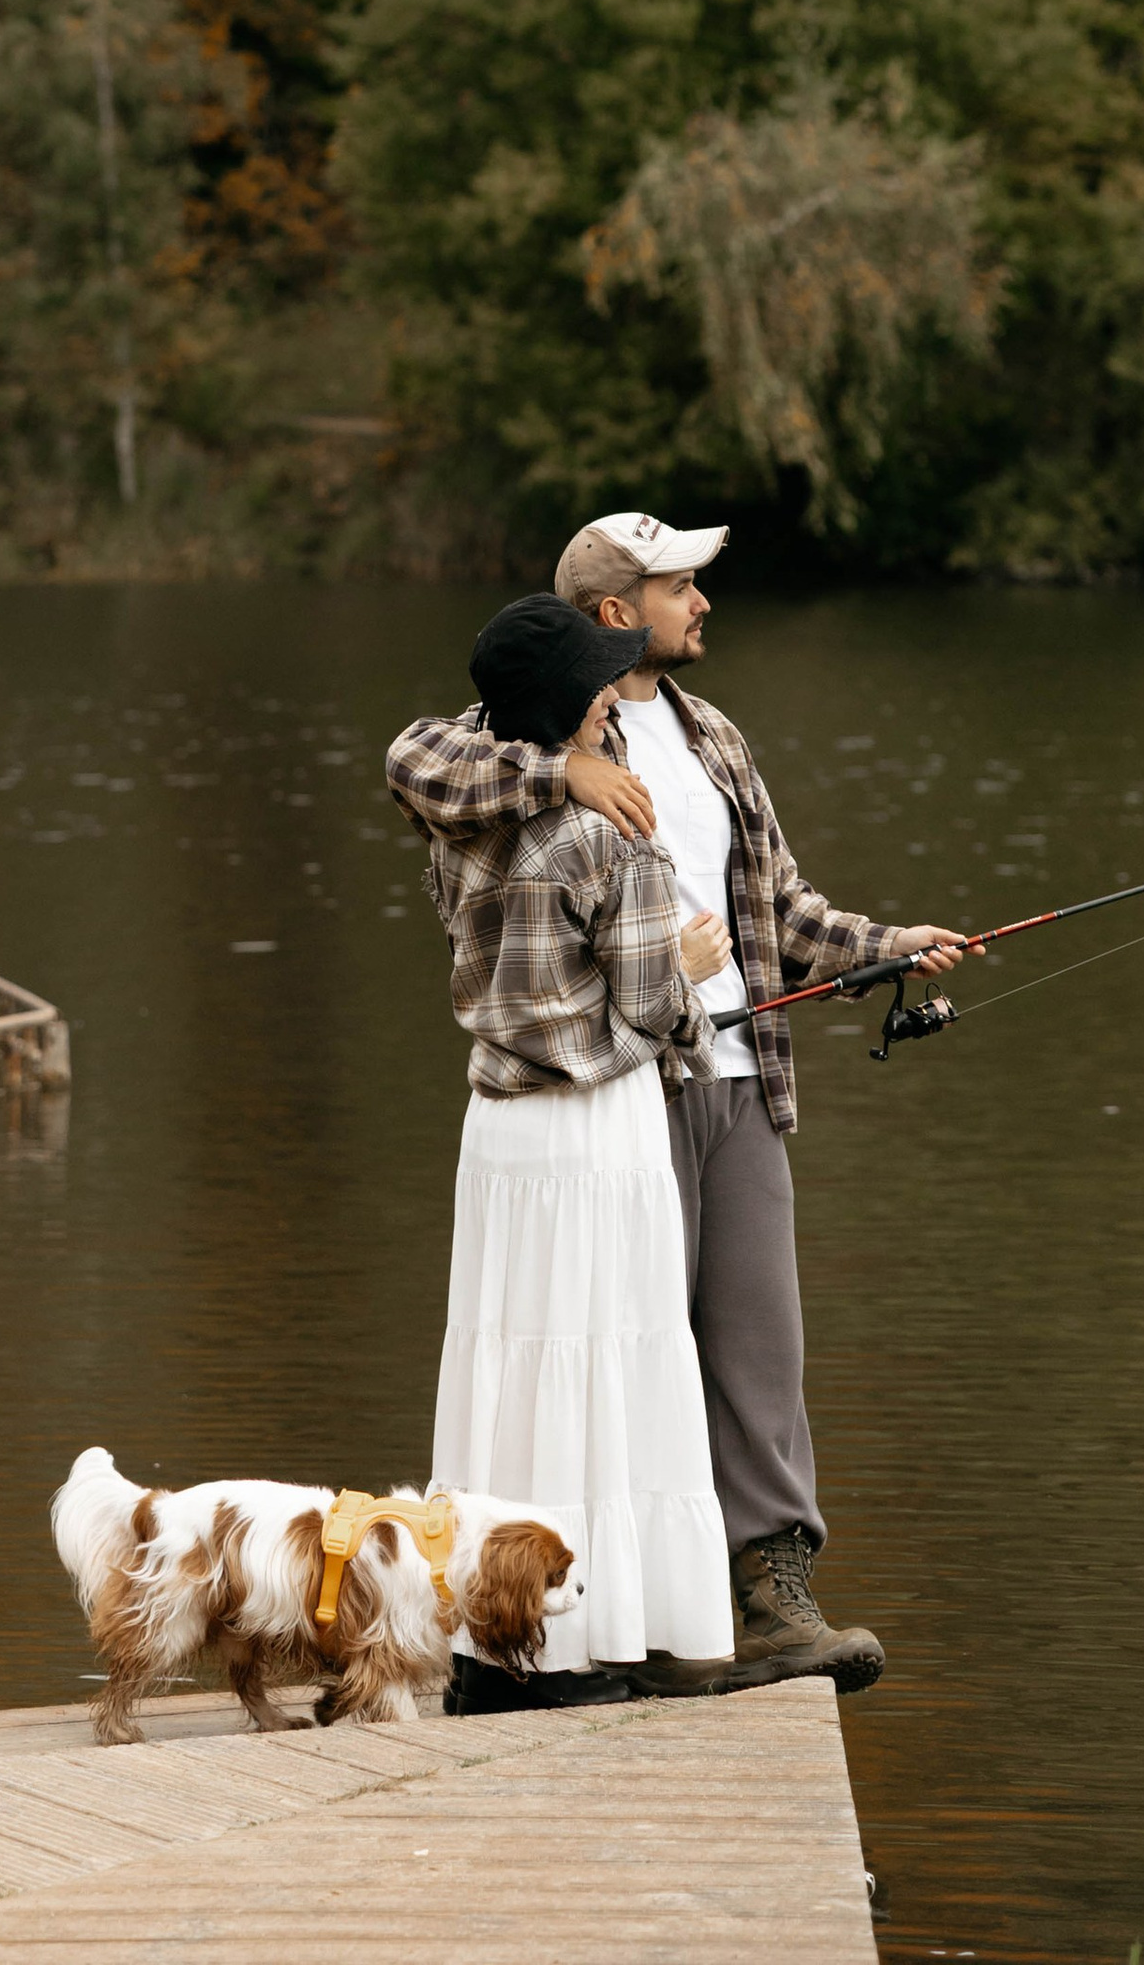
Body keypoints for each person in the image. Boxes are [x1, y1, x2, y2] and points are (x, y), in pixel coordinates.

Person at [389, 512, 963, 1689]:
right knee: (628, 1358)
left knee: (758, 1345)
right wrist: (565, 769)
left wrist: (882, 944)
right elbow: (412, 767)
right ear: (615, 613)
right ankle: (603, 1611)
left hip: (740, 1081)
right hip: (621, 1091)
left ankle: (765, 1593)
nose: (703, 603)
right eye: (681, 586)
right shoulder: (527, 730)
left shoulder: (715, 741)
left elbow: (780, 906)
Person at [418, 593, 737, 1710]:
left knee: (509, 1370)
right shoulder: (619, 834)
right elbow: (653, 1011)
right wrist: (696, 978)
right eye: (602, 681)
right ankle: (583, 1642)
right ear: (576, 706)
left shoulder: (462, 813)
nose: (618, 691)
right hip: (599, 1134)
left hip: (498, 1136)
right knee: (608, 1360)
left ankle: (485, 1644)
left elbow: (424, 752)